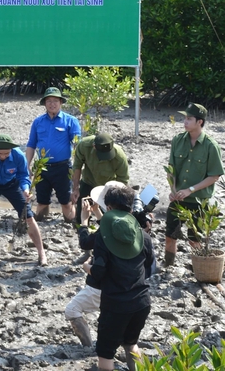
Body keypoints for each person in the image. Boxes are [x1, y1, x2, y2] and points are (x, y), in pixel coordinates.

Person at [66, 180, 155, 347]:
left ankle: (89, 348)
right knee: (129, 344)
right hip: (133, 291)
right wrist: (99, 214)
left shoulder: (104, 233)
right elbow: (114, 228)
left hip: (106, 288)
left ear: (109, 206)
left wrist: (84, 221)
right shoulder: (134, 227)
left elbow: (87, 242)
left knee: (72, 310)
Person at [84, 185, 155, 371]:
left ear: (108, 208)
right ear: (132, 208)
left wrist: (87, 268)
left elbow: (98, 272)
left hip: (116, 305)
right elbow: (149, 267)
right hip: (141, 303)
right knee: (131, 344)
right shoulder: (143, 236)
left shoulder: (103, 238)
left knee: (106, 353)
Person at [0, 134, 47, 266]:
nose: (2, 156)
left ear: (11, 151)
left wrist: (25, 189)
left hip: (12, 184)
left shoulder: (18, 155)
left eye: (6, 154)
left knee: (28, 216)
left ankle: (41, 253)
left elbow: (23, 175)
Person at [165, 103, 224, 266]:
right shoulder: (177, 140)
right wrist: (173, 189)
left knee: (195, 240)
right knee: (170, 236)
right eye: (184, 118)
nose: (185, 122)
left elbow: (214, 176)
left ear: (200, 122)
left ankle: (200, 269)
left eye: (189, 119)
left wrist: (190, 190)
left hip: (199, 202)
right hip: (178, 200)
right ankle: (167, 265)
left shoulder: (211, 146)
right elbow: (171, 170)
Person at [25, 87, 81, 222]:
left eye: (55, 100)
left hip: (62, 168)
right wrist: (27, 165)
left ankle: (73, 224)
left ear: (60, 102)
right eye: (49, 101)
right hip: (42, 167)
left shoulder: (71, 121)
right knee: (42, 201)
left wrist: (79, 168)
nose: (52, 104)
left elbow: (78, 145)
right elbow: (31, 144)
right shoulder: (38, 122)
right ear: (44, 103)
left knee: (66, 201)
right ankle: (40, 225)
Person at [71, 132, 129, 224]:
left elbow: (123, 180)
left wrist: (116, 201)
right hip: (88, 181)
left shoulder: (119, 156)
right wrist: (75, 189)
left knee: (108, 218)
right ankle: (82, 230)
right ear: (94, 146)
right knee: (81, 213)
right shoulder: (84, 146)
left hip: (108, 187)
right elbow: (77, 166)